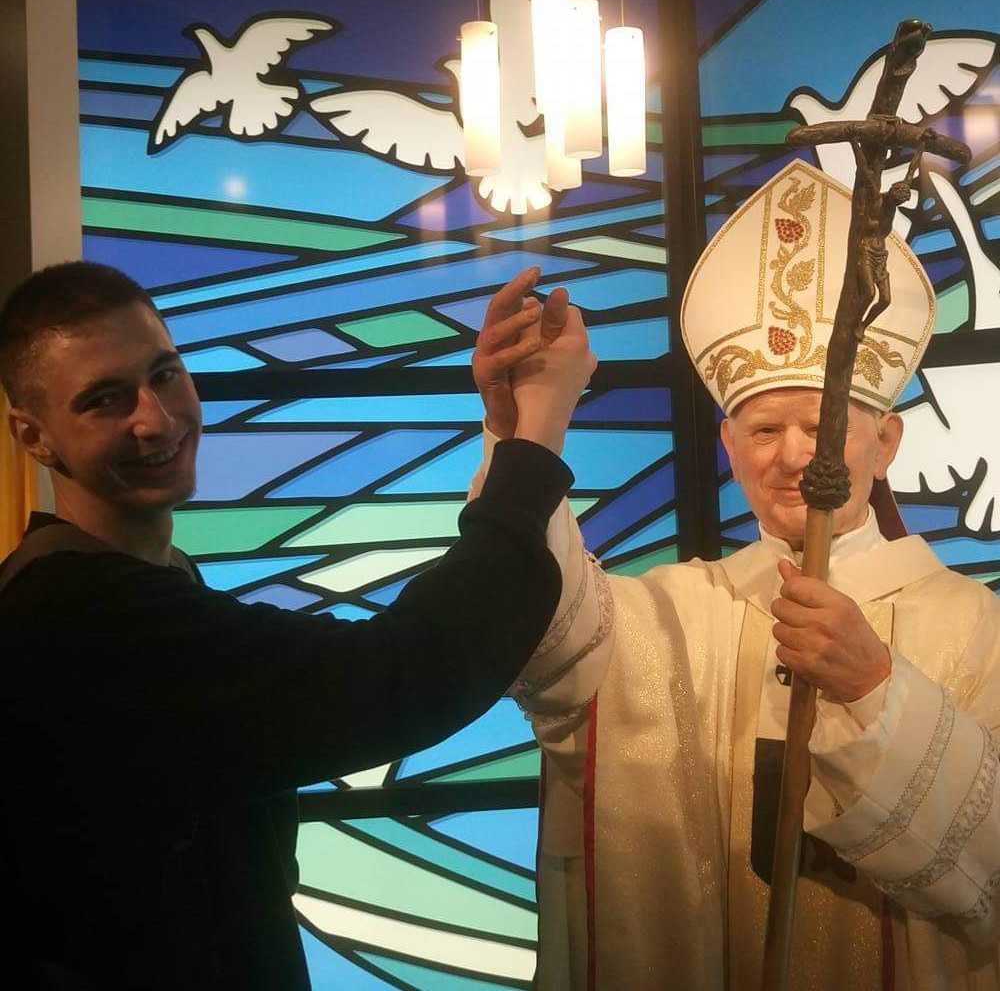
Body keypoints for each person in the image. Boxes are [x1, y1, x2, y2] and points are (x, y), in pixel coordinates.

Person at [471, 159, 1000, 989]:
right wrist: (530, 430)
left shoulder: (974, 626)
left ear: (886, 443)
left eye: (822, 426)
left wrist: (874, 686)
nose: (793, 457)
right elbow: (543, 636)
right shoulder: (671, 614)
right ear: (727, 447)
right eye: (762, 431)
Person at [0, 260, 593, 990]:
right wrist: (538, 435)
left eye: (165, 375)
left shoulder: (144, 582)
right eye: (104, 400)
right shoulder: (75, 616)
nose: (155, 418)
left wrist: (506, 430)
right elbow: (402, 673)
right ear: (33, 435)